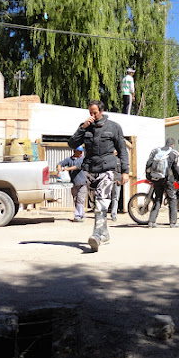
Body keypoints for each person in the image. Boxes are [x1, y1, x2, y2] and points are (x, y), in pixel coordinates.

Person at [69, 100, 129, 251]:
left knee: (101, 202)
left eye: (94, 113)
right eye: (90, 113)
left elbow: (122, 150)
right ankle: (105, 234)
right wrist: (82, 128)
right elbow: (71, 143)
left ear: (101, 111)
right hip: (90, 170)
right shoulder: (85, 127)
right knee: (97, 203)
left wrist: (125, 171)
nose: (92, 115)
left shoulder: (113, 127)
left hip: (107, 169)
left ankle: (96, 235)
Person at [145, 138, 179, 228]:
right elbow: (177, 168)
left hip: (156, 178)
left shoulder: (156, 151)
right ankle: (173, 222)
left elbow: (148, 164)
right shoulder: (174, 153)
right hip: (168, 179)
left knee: (157, 199)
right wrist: (176, 178)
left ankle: (151, 221)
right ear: (173, 145)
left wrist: (149, 177)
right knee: (172, 199)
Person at [57, 146, 87, 222]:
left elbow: (78, 166)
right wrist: (59, 167)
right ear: (75, 151)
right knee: (76, 199)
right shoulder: (69, 159)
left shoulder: (83, 159)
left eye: (81, 151)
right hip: (74, 183)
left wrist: (67, 169)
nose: (80, 152)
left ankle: (78, 215)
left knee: (80, 199)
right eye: (79, 151)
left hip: (83, 182)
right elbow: (60, 163)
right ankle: (81, 214)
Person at [108, 152, 122, 221]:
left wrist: (120, 180)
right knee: (106, 197)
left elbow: (121, 171)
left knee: (115, 198)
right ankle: (103, 213)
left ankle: (114, 214)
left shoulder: (119, 160)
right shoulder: (106, 160)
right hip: (108, 181)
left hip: (116, 180)